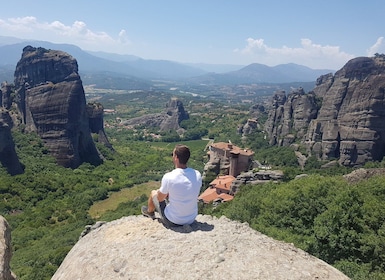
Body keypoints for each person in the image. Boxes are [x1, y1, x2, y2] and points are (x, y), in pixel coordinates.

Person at [141, 144, 202, 227]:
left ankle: (150, 212)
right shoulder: (197, 174)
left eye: (173, 154)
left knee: (153, 193)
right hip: (191, 219)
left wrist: (161, 192)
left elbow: (160, 198)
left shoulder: (169, 177)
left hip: (173, 221)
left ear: (176, 157)